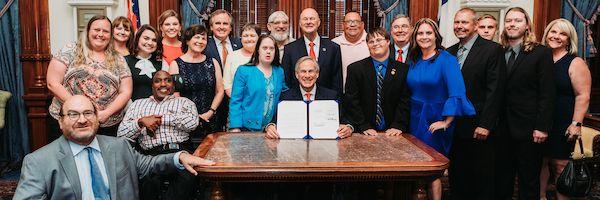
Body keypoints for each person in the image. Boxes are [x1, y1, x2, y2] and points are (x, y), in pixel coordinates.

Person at [13, 95, 214, 200]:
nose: (82, 120)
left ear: (97, 118)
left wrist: (179, 157)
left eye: (88, 113)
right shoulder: (39, 161)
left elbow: (149, 164)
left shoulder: (119, 147)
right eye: (73, 114)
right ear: (60, 122)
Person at [406, 18, 475, 200]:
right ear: (415, 37)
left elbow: (457, 91)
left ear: (436, 36)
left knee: (432, 170)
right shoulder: (413, 59)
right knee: (416, 167)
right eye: (420, 33)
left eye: (429, 33)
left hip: (435, 119)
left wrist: (446, 122)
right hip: (414, 119)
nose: (424, 37)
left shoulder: (447, 60)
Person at [494, 7, 555, 200]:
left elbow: (548, 93)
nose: (512, 24)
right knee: (501, 179)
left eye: (517, 21)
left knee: (528, 181)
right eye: (509, 20)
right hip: (500, 128)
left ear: (527, 25)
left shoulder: (541, 53)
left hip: (529, 130)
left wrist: (542, 127)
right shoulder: (497, 51)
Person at [447, 8, 505, 200]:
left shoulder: (492, 49)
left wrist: (485, 124)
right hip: (454, 126)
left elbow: (495, 91)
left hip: (478, 127)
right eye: (457, 22)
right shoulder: (449, 52)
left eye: (465, 23)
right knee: (458, 176)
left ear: (474, 25)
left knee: (481, 178)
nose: (460, 26)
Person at [118, 70, 201, 200]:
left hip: (179, 151)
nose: (163, 84)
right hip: (150, 156)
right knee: (147, 185)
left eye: (167, 80)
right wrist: (141, 122)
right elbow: (121, 135)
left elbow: (192, 123)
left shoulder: (184, 102)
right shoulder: (137, 105)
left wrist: (160, 119)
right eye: (158, 80)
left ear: (173, 85)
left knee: (186, 181)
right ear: (152, 85)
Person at [47, 15, 132, 137]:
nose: (101, 34)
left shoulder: (119, 59)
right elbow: (53, 83)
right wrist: (79, 109)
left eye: (106, 31)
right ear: (88, 31)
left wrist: (106, 113)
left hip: (105, 126)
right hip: (69, 121)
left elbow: (126, 91)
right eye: (97, 30)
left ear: (111, 35)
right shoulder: (71, 49)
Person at [539, 18, 591, 200]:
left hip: (564, 121)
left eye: (563, 34)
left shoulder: (575, 62)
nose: (556, 36)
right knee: (540, 164)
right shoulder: (540, 57)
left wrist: (576, 123)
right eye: (553, 32)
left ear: (569, 40)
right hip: (541, 120)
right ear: (546, 34)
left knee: (561, 166)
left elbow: (583, 95)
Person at [265, 56, 353, 139]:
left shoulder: (331, 96)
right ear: (297, 74)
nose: (307, 75)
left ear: (317, 74)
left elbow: (345, 121)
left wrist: (349, 128)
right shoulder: (286, 97)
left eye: (311, 71)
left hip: (324, 146)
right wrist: (270, 126)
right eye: (303, 71)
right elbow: (275, 121)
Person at [343, 27, 410, 137]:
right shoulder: (355, 69)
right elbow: (352, 101)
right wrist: (363, 125)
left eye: (379, 40)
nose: (375, 44)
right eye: (371, 41)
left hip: (394, 131)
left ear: (388, 42)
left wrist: (398, 125)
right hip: (363, 131)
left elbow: (404, 101)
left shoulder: (403, 70)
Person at [169, 25, 224, 141]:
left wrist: (210, 112)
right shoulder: (176, 64)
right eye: (197, 37)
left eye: (203, 39)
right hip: (185, 121)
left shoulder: (213, 62)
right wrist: (192, 117)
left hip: (211, 120)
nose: (200, 41)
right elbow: (175, 95)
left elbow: (220, 91)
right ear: (188, 40)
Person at [229, 35, 287, 132]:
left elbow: (284, 97)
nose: (268, 51)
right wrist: (235, 127)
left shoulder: (279, 71)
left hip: (271, 128)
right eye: (264, 48)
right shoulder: (244, 70)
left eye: (272, 48)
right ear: (258, 50)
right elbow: (236, 101)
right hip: (245, 128)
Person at [282, 8, 343, 93]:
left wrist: (335, 102)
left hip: (326, 101)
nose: (308, 22)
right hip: (297, 101)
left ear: (318, 22)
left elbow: (337, 82)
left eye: (312, 18)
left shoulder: (333, 48)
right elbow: (287, 80)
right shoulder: (290, 49)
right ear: (300, 24)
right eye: (305, 19)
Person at [125, 24, 165, 101]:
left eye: (154, 40)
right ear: (138, 39)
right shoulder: (125, 61)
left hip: (157, 108)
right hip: (132, 108)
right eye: (146, 38)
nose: (150, 43)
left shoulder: (161, 63)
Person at [332, 11, 369, 88]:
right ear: (343, 25)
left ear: (362, 25)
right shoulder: (334, 44)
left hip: (368, 93)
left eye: (356, 21)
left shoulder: (371, 42)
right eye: (348, 22)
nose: (352, 25)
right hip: (342, 93)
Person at [223, 23, 260, 97]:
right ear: (241, 38)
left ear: (259, 38)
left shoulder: (264, 55)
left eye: (252, 36)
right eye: (245, 36)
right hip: (237, 103)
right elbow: (227, 84)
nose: (249, 39)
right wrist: (238, 101)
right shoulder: (232, 56)